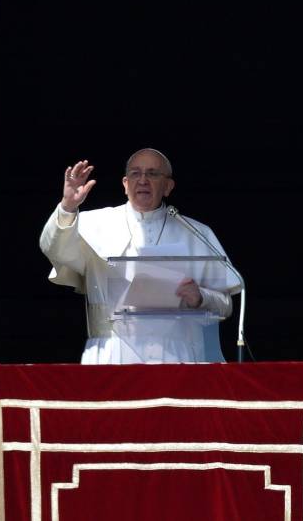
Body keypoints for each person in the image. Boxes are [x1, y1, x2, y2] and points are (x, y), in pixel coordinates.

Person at [39, 148, 240, 364]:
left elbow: (225, 305)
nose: (143, 180)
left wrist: (200, 297)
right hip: (111, 358)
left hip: (179, 359)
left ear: (168, 187)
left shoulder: (197, 233)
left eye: (153, 174)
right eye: (135, 173)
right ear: (125, 184)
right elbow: (54, 248)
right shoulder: (92, 224)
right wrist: (68, 207)